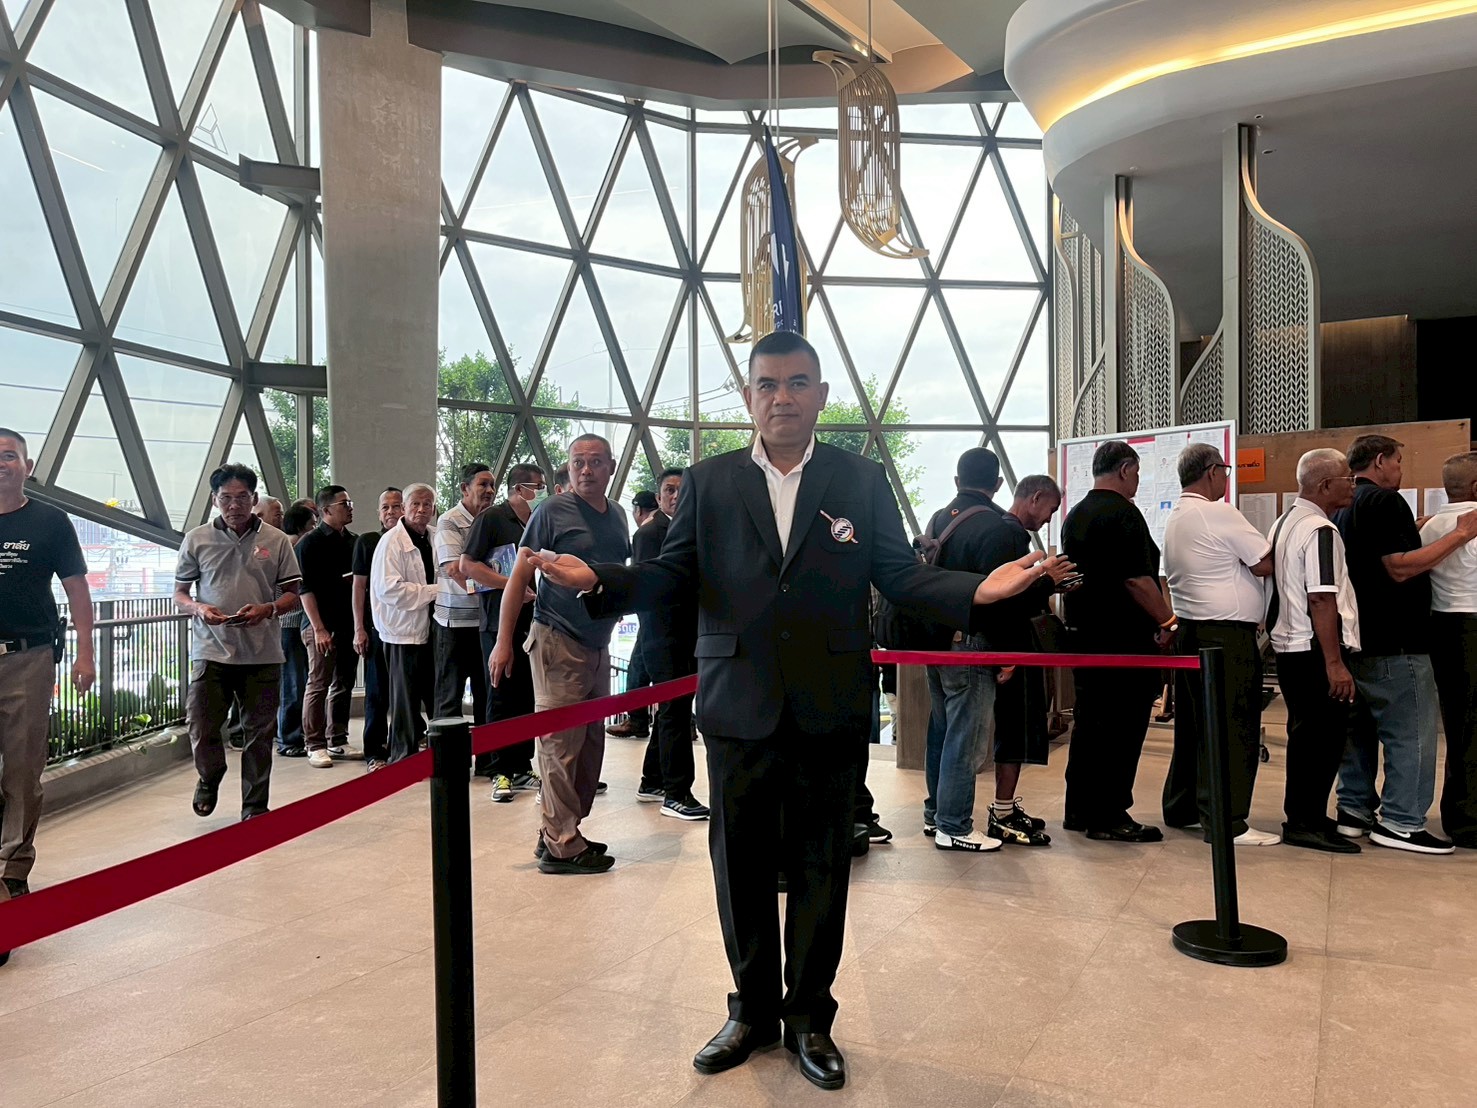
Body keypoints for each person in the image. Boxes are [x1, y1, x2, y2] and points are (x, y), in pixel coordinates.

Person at [530, 331, 1061, 1090]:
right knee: (739, 866)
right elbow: (672, 574)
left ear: (820, 395)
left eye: (797, 383)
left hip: (828, 701)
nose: (782, 397)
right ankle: (750, 1009)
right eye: (768, 384)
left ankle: (810, 1017)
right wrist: (601, 581)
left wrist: (978, 590)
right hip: (737, 700)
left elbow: (898, 574)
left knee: (821, 864)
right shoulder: (710, 482)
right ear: (749, 397)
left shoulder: (859, 477)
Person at [490, 435, 632, 875]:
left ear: (611, 467)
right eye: (578, 462)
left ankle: (559, 828)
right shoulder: (551, 511)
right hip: (557, 639)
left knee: (589, 745)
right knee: (559, 745)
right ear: (568, 468)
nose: (586, 470)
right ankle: (562, 845)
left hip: (598, 641)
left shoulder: (618, 515)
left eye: (596, 462)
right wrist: (503, 641)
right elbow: (519, 577)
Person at [1334, 434, 1476, 854]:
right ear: (1380, 461)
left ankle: (1353, 810)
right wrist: (1461, 534)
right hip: (1397, 638)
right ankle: (1401, 821)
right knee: (1411, 732)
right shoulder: (1386, 501)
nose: (1400, 469)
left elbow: (1372, 553)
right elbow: (1396, 567)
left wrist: (1418, 532)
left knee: (1360, 730)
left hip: (1358, 636)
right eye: (1398, 461)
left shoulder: (1344, 505)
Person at [921, 450, 1066, 853]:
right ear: (999, 485)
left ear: (957, 480)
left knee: (941, 731)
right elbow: (1004, 600)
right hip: (973, 643)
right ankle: (954, 825)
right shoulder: (998, 529)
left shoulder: (939, 520)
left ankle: (936, 815)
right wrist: (1007, 652)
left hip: (936, 641)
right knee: (966, 738)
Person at [0, 428, 94, 961]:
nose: (1, 464)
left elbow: (77, 588)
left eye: (9, 455)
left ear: (27, 466)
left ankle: (12, 870)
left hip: (28, 659)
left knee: (21, 769)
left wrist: (86, 654)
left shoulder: (50, 522)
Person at [1161, 444, 1280, 846]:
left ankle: (1183, 806)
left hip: (1191, 631)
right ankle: (1228, 821)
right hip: (1225, 636)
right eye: (1225, 470)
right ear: (1212, 471)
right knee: (1234, 725)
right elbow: (1264, 562)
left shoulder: (1177, 516)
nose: (1226, 478)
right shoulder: (1217, 512)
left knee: (1195, 726)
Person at [1060, 440, 1175, 843]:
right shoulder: (1124, 514)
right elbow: (1137, 580)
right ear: (1125, 469)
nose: (1137, 481)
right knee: (1122, 727)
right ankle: (1109, 814)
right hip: (1122, 640)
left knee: (1090, 725)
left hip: (1085, 636)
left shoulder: (1076, 515)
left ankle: (1079, 808)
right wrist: (1168, 620)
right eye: (1137, 473)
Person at [174, 464, 302, 820]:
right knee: (201, 723)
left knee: (260, 734)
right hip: (211, 648)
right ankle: (209, 775)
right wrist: (199, 609)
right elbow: (180, 593)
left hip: (263, 652)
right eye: (226, 498)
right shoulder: (197, 539)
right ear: (215, 500)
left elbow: (293, 593)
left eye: (242, 497)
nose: (234, 505)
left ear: (254, 498)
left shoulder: (276, 540)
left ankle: (255, 808)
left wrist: (268, 609)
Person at [1269, 449, 1361, 853]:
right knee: (1321, 740)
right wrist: (1334, 663)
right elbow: (1321, 598)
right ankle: (1304, 822)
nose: (1353, 485)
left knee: (1307, 737)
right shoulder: (1321, 529)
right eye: (1347, 478)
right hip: (1313, 649)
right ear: (1325, 485)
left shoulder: (1284, 522)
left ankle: (1307, 815)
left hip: (1292, 647)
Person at [461, 464, 544, 802]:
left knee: (526, 696)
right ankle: (500, 770)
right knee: (500, 693)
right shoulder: (493, 519)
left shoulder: (537, 522)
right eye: (538, 487)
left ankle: (522, 765)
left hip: (534, 621)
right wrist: (512, 585)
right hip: (498, 623)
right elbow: (468, 565)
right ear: (520, 489)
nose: (542, 493)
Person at [990, 474, 1066, 846]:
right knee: (1014, 729)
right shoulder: (1010, 536)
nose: (1049, 518)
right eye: (1050, 509)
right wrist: (1048, 581)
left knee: (1014, 729)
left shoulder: (1003, 532)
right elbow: (1008, 597)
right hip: (1013, 648)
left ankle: (1003, 808)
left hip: (1011, 648)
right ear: (1035, 499)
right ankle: (1001, 813)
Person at [631, 467, 707, 820]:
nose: (676, 496)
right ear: (658, 496)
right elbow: (648, 586)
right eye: (669, 490)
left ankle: (653, 781)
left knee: (672, 710)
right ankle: (677, 794)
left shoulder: (692, 529)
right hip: (663, 634)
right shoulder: (651, 533)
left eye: (682, 490)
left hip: (690, 633)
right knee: (676, 713)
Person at [1421, 451, 1477, 849]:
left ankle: (1459, 812)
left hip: (1442, 628)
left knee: (1459, 725)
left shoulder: (1430, 526)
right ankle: (1470, 820)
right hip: (1474, 627)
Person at [432, 463, 496, 773]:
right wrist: (492, 590)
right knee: (450, 697)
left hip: (483, 624)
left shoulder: (491, 520)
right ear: (464, 488)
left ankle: (486, 762)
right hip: (454, 624)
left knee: (486, 695)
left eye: (492, 485)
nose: (489, 491)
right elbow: (454, 570)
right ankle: (448, 768)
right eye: (483, 484)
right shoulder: (450, 521)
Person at [371, 483, 439, 763]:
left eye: (427, 504)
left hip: (435, 629)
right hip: (402, 632)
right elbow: (389, 590)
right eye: (415, 504)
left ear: (434, 509)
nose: (421, 510)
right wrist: (435, 591)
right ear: (404, 508)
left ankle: (439, 756)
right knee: (405, 702)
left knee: (437, 696)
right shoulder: (391, 541)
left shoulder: (435, 536)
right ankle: (403, 759)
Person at [296, 485, 363, 769]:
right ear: (325, 510)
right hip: (319, 625)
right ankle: (314, 744)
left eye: (350, 502)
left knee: (344, 682)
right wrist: (319, 629)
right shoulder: (309, 543)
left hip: (348, 623)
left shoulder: (354, 541)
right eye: (343, 503)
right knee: (318, 683)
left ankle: (337, 738)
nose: (350, 507)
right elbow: (304, 589)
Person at [353, 488, 404, 770]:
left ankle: (402, 747)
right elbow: (358, 587)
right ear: (378, 513)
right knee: (377, 691)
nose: (391, 512)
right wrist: (359, 628)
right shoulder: (369, 542)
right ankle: (374, 752)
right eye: (385, 507)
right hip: (378, 628)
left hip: (410, 629)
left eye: (396, 506)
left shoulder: (417, 540)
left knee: (406, 693)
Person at [275, 503, 316, 757]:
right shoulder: (291, 548)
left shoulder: (289, 546)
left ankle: (293, 736)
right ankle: (289, 739)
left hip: (294, 624)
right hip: (290, 625)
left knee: (298, 682)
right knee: (293, 683)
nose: (315, 529)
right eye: (312, 524)